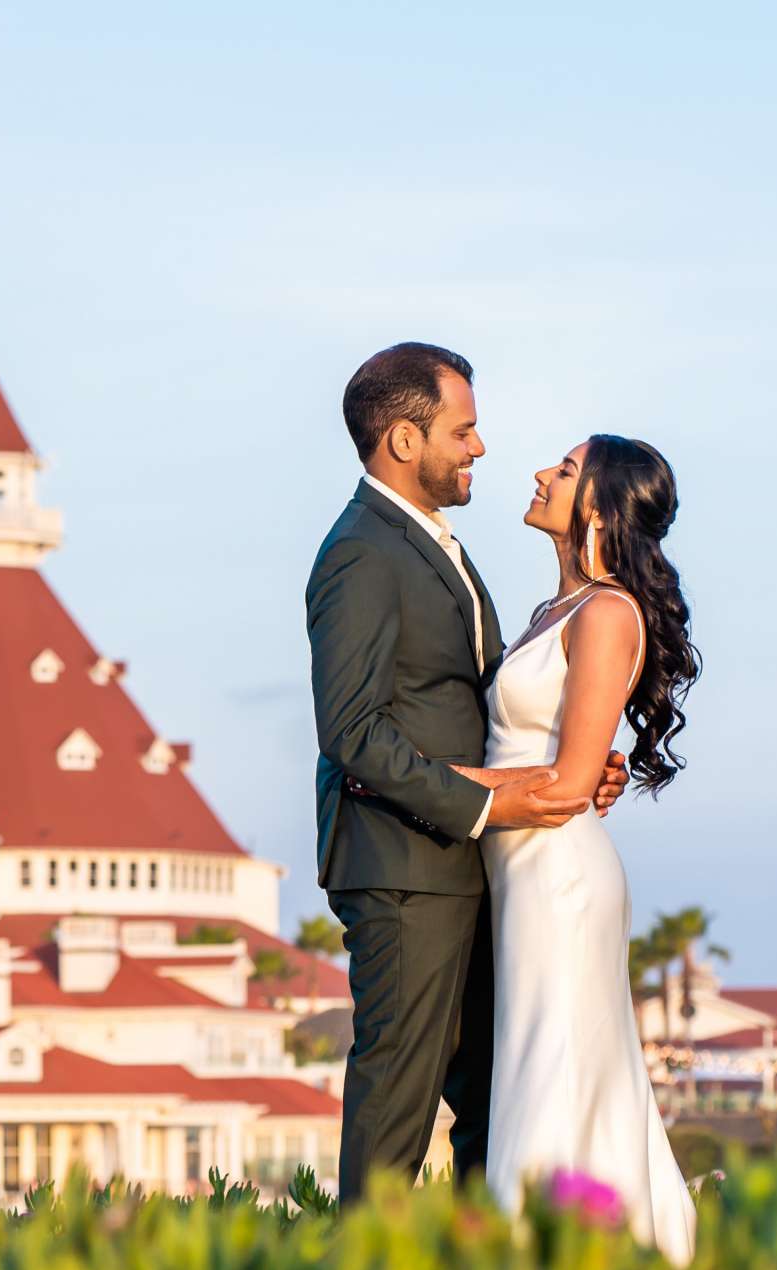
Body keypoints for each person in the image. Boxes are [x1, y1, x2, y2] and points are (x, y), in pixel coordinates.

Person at [305, 344, 627, 1201]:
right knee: (398, 1109)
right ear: (405, 441)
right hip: (406, 870)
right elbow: (352, 731)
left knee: (495, 1102)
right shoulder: (363, 553)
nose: (480, 448)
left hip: (470, 866)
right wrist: (490, 804)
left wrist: (577, 765)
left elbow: (473, 704)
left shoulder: (430, 545)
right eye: (465, 429)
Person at [474, 433, 703, 1266]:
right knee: (547, 1064)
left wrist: (412, 775)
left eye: (564, 470)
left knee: (558, 1065)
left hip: (557, 877)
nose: (540, 473)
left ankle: (551, 1267)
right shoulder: (553, 613)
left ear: (600, 509)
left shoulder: (607, 613)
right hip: (520, 870)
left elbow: (570, 784)